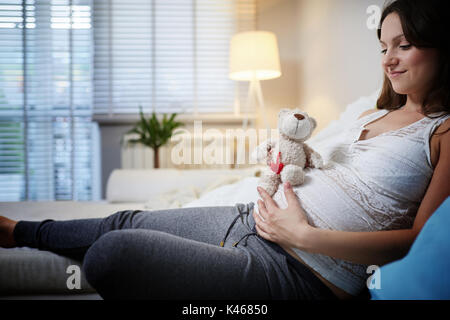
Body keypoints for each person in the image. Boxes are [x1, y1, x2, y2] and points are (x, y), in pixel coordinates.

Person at [0, 0, 449, 300]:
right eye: (383, 46)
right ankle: (18, 231)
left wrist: (301, 235)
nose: (388, 59)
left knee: (111, 253)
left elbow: (417, 241)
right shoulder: (370, 114)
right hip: (248, 219)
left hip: (300, 271)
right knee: (126, 219)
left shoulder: (443, 132)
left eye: (404, 46)